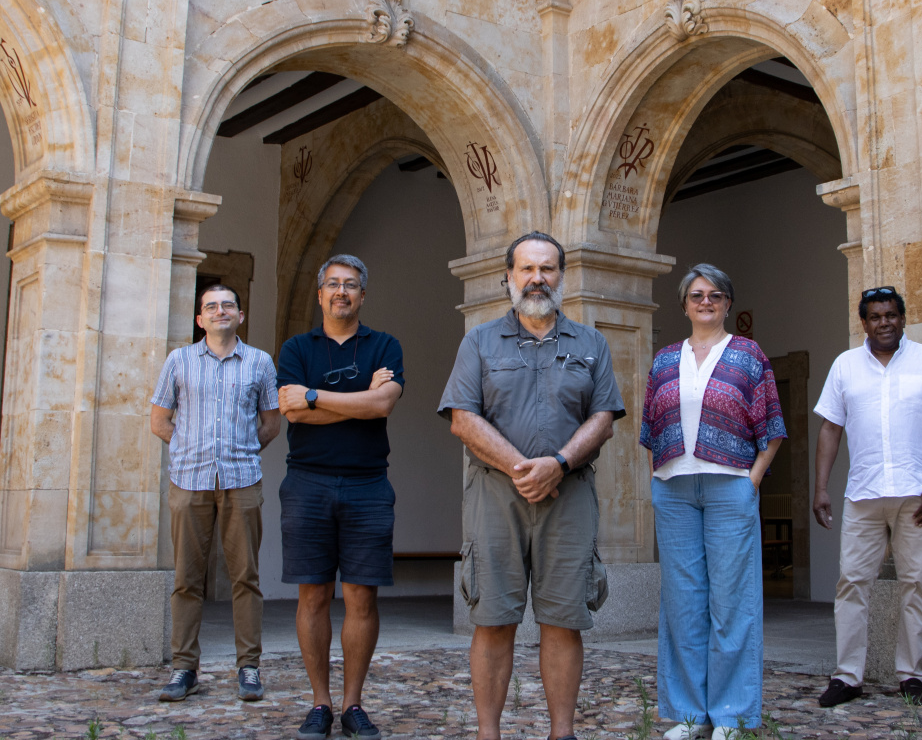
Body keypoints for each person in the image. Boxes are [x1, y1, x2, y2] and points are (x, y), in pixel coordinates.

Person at [439, 231, 623, 740]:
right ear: (508, 278)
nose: (537, 278)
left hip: (569, 497)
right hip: (496, 497)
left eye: (547, 269)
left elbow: (605, 416)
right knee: (493, 618)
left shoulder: (592, 343)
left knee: (563, 620)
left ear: (562, 276)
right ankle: (488, 734)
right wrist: (525, 467)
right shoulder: (478, 341)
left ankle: (562, 733)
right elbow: (462, 418)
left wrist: (558, 465)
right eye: (527, 269)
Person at [639, 264, 786, 740]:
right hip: (674, 488)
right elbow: (650, 429)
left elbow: (773, 427)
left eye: (716, 295)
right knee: (683, 603)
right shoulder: (664, 359)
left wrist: (752, 480)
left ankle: (731, 715)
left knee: (732, 602)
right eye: (697, 295)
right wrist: (657, 481)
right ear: (683, 304)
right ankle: (686, 714)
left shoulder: (748, 355)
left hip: (729, 486)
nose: (706, 302)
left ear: (727, 304)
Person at [811, 286, 922, 707]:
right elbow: (830, 429)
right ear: (864, 323)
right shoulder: (845, 366)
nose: (884, 322)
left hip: (919, 497)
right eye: (876, 316)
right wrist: (821, 487)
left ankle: (911, 676)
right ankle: (847, 677)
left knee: (917, 582)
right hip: (863, 495)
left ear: (903, 318)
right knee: (851, 584)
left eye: (891, 315)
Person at [276, 254, 405, 740]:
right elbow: (292, 413)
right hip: (307, 481)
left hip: (368, 484)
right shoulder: (296, 348)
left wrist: (314, 397)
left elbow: (382, 405)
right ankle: (320, 703)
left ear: (363, 295)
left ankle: (352, 704)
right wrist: (357, 405)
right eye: (332, 284)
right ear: (320, 294)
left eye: (351, 285)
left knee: (361, 596)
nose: (341, 292)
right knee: (312, 593)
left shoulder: (384, 345)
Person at [149, 283, 280, 704]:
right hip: (189, 481)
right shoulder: (179, 360)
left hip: (242, 480)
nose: (220, 311)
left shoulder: (259, 362)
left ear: (240, 316)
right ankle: (184, 669)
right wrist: (188, 449)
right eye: (211, 306)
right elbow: (159, 419)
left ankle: (249, 668)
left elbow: (271, 422)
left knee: (246, 577)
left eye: (228, 305)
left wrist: (241, 450)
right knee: (187, 578)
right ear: (199, 319)